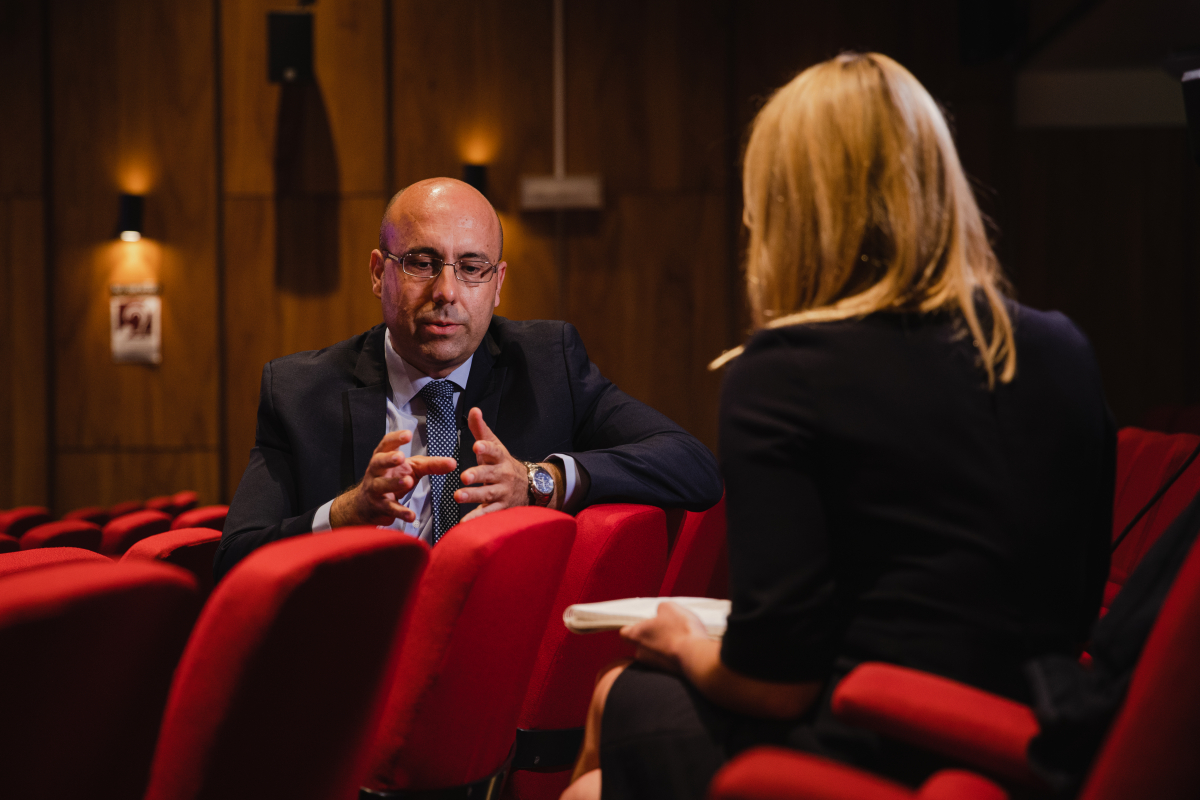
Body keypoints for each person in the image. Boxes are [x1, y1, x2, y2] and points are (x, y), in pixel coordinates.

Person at [564, 52, 1115, 800]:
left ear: (790, 207)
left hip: (875, 738)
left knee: (619, 697)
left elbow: (774, 684)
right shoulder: (1062, 348)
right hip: (1031, 742)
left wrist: (686, 646)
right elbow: (1076, 608)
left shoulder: (786, 370)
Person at [216, 178, 722, 581]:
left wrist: (539, 481)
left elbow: (692, 465)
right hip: (363, 654)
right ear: (377, 273)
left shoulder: (549, 365)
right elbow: (234, 560)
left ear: (497, 284)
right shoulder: (299, 392)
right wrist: (346, 512)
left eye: (472, 267)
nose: (447, 291)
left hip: (501, 654)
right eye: (422, 263)